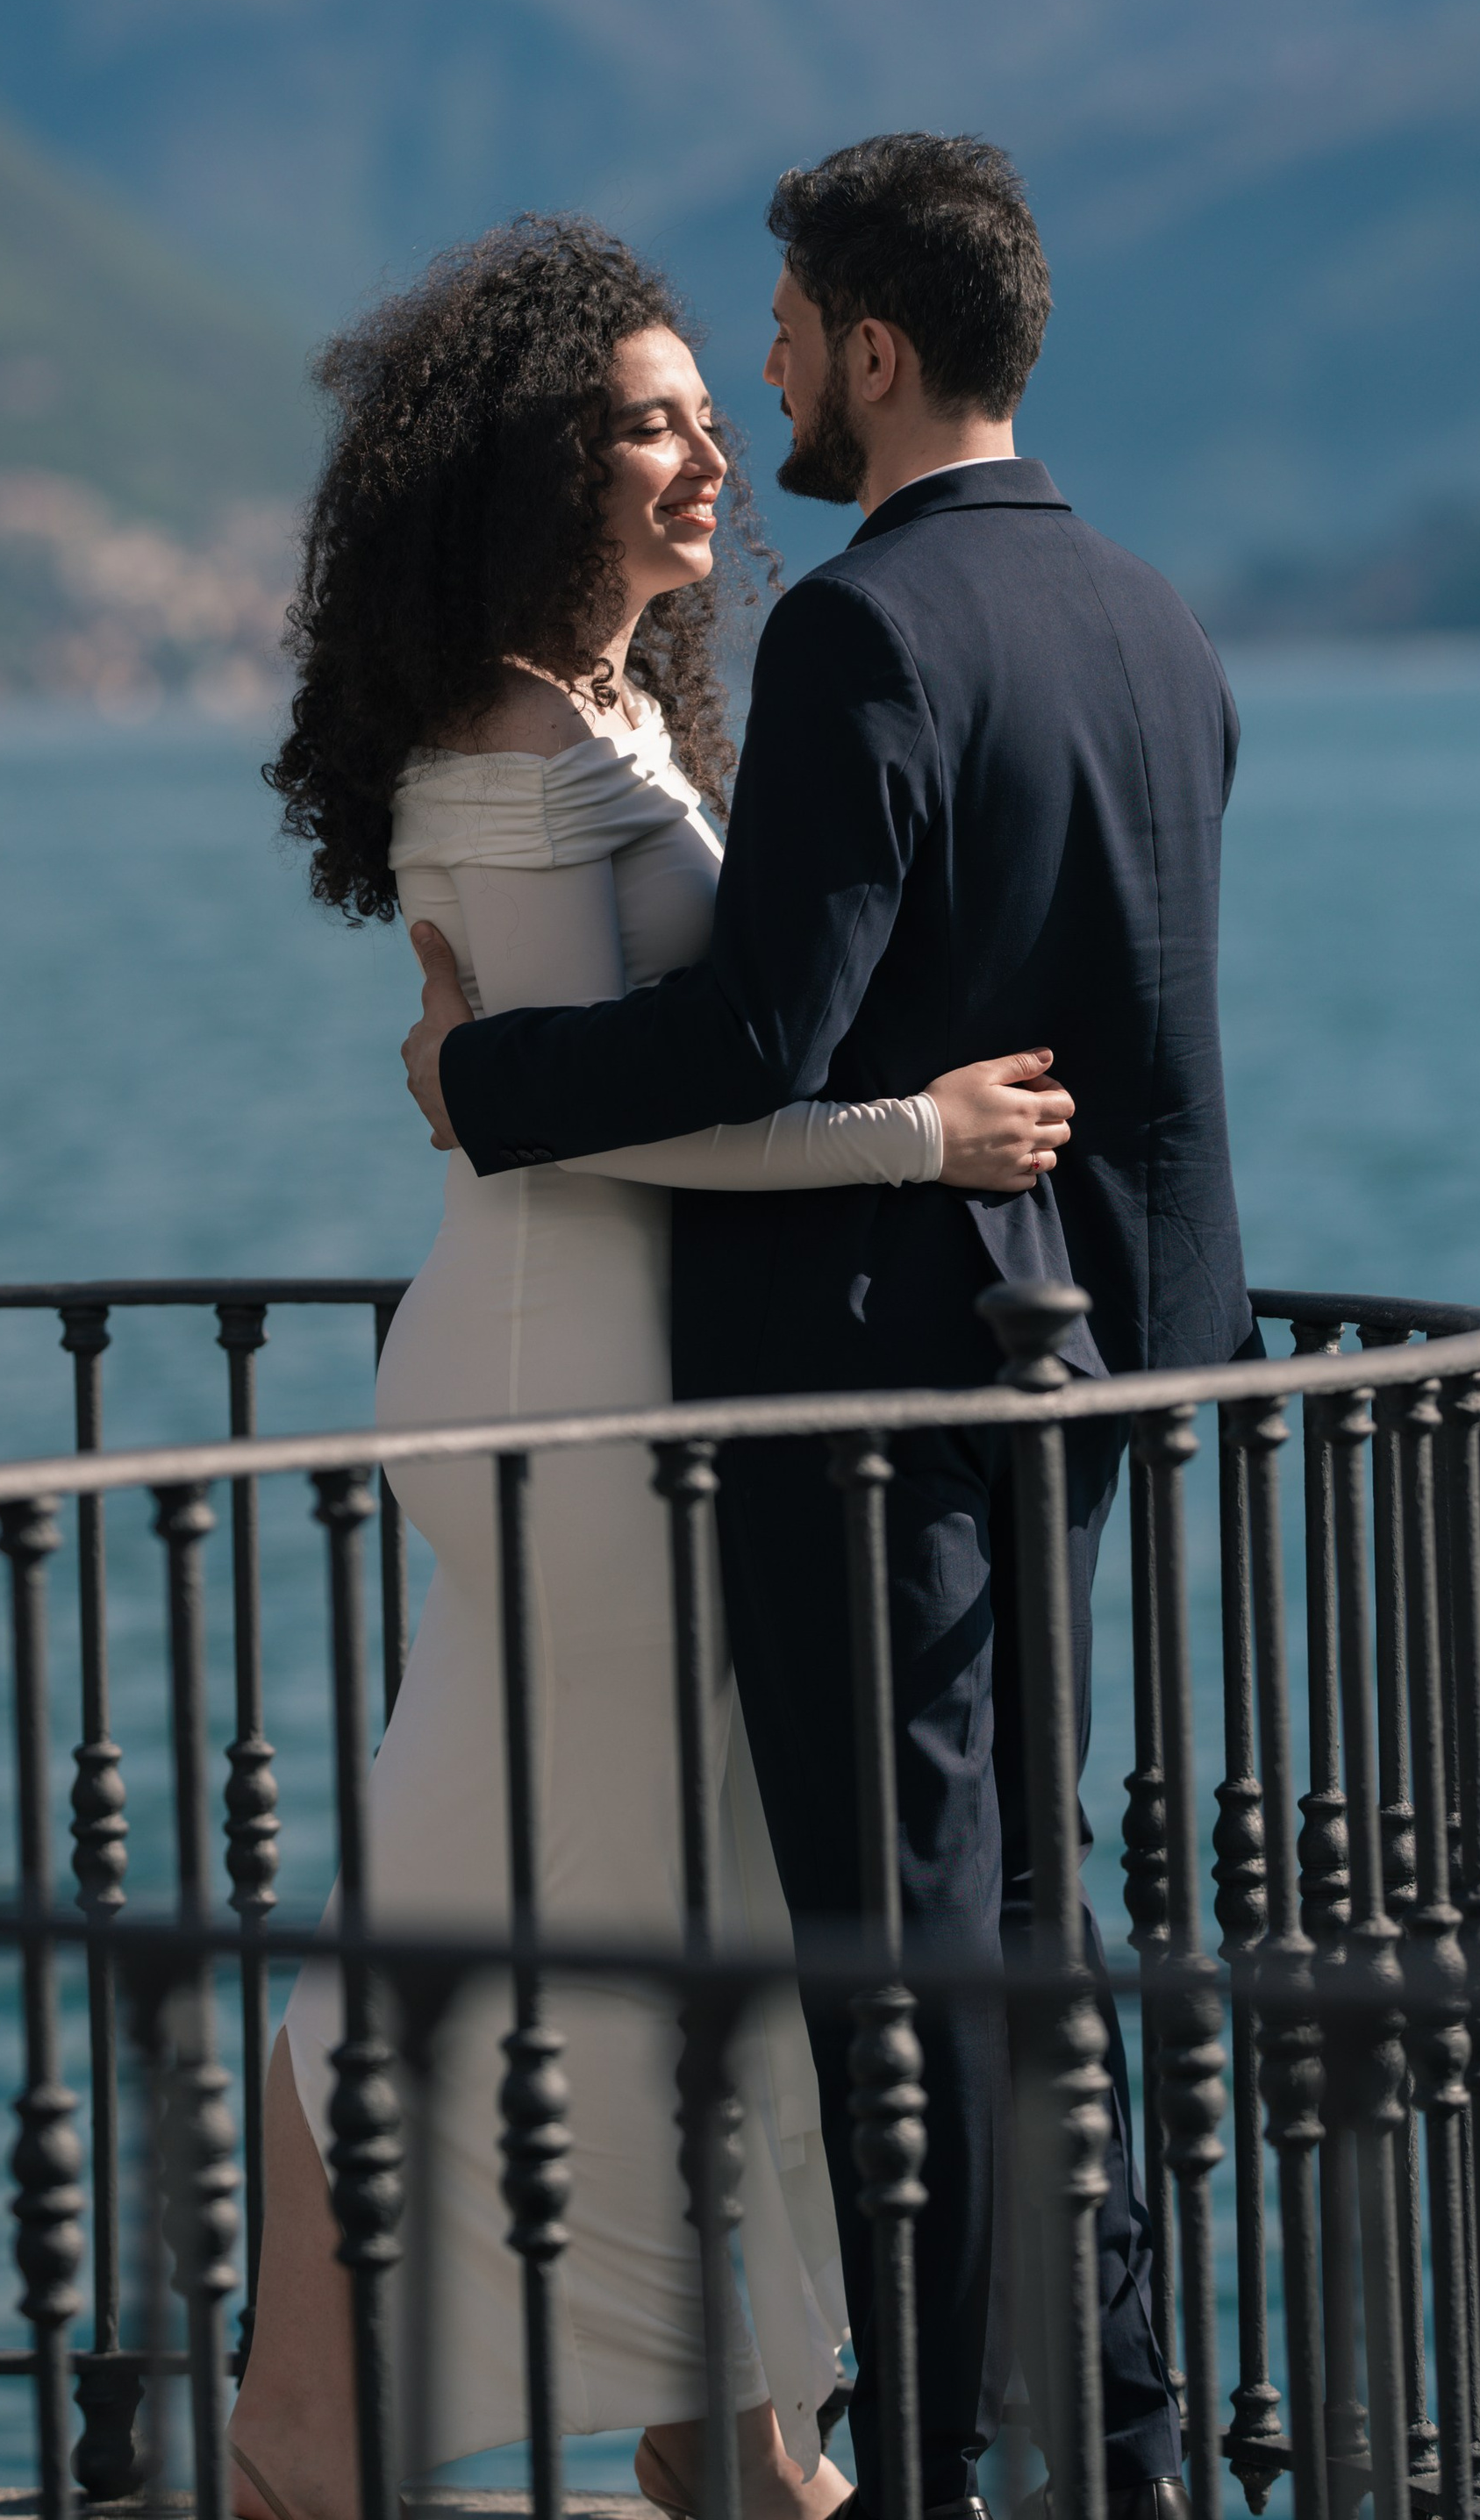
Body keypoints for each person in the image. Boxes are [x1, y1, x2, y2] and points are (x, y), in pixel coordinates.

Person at [407, 134, 1250, 2520]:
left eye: (777, 335)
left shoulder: (866, 633)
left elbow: (765, 1039)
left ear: (873, 351)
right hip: (1107, 1351)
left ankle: (933, 2472)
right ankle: (1136, 2441)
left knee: (907, 1947)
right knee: (1026, 1916)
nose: (764, 373)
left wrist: (487, 1080)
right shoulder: (1153, 622)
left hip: (884, 1382)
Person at [226, 217, 1071, 2520]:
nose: (710, 458)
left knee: (631, 1898)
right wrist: (927, 1137)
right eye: (648, 421)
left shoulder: (609, 712)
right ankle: (314, 2434)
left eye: (713, 412)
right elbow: (635, 1113)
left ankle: (719, 2425)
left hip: (627, 1377)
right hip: (553, 1380)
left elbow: (633, 1062)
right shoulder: (508, 739)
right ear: (538, 462)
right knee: (510, 1895)